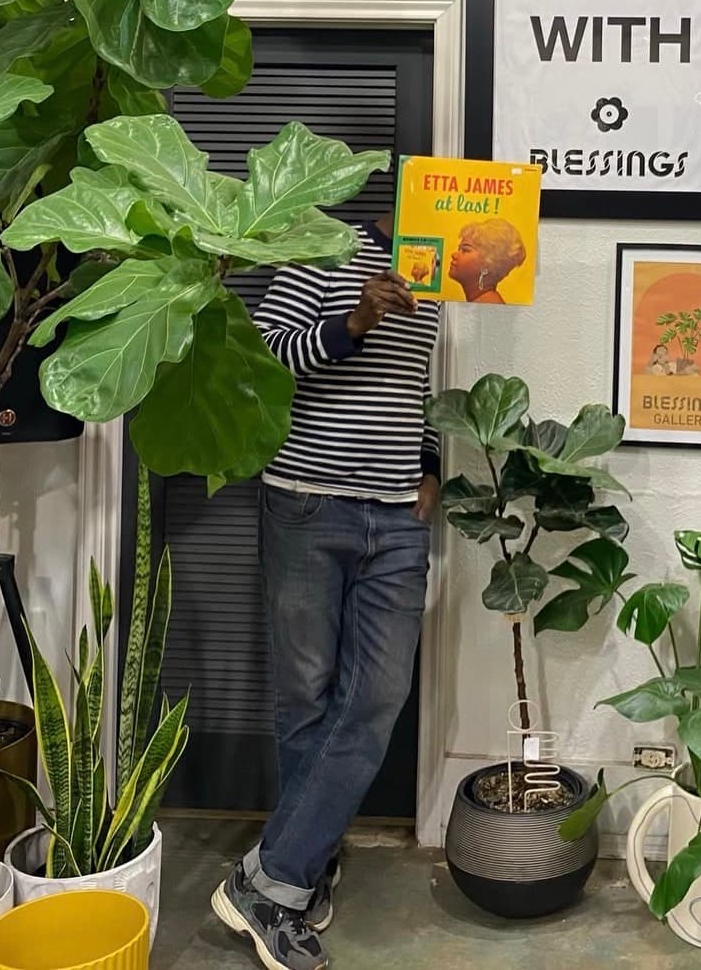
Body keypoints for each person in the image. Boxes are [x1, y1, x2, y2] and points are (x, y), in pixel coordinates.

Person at [211, 207, 441, 970]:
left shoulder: (443, 271)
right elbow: (265, 357)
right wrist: (353, 319)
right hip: (309, 504)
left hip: (398, 517)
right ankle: (300, 868)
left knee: (375, 697)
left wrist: (431, 463)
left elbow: (423, 383)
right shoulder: (322, 251)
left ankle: (270, 878)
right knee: (306, 699)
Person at [447, 218, 527, 304]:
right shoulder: (482, 301)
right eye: (459, 249)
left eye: (465, 250)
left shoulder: (488, 304)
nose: (454, 255)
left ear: (488, 263)